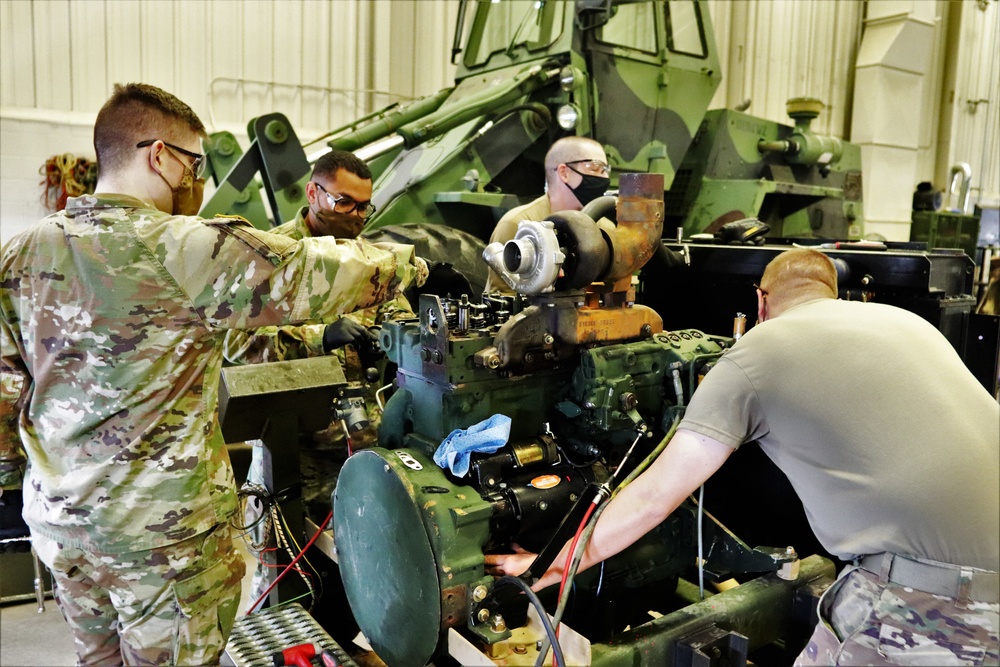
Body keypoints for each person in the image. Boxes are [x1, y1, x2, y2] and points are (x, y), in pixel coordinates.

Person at [0, 83, 426, 666]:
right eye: (193, 164)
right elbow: (313, 271)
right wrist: (415, 263)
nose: (196, 181)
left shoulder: (18, 255)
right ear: (159, 156)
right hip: (164, 541)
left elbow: (4, 398)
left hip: (63, 528)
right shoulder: (184, 248)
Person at [488, 248, 999, 666]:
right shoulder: (905, 323)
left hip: (932, 597)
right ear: (833, 293)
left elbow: (651, 499)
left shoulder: (758, 353)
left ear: (760, 301)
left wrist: (550, 566)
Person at [222, 150, 414, 602]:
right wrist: (319, 336)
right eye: (345, 203)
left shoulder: (369, 261)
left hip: (359, 446)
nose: (357, 217)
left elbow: (401, 320)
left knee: (357, 577)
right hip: (292, 452)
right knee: (283, 581)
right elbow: (239, 346)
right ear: (313, 192)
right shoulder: (271, 257)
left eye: (365, 206)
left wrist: (395, 333)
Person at [484, 136, 610, 293]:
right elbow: (503, 299)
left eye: (605, 170)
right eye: (594, 168)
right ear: (564, 173)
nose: (605, 178)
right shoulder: (517, 225)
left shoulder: (604, 229)